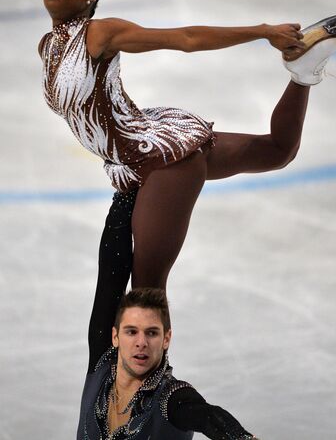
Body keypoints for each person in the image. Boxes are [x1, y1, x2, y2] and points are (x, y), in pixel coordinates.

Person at [40, 0, 336, 290]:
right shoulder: (47, 47)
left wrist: (263, 31)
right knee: (277, 151)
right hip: (136, 149)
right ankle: (303, 74)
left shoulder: (100, 33)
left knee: (147, 290)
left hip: (155, 156)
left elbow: (186, 39)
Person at [78, 189, 257, 440]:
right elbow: (110, 276)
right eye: (131, 331)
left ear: (166, 338)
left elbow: (207, 416)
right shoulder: (102, 368)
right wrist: (125, 193)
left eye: (151, 332)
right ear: (115, 336)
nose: (141, 342)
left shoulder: (169, 399)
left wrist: (241, 437)